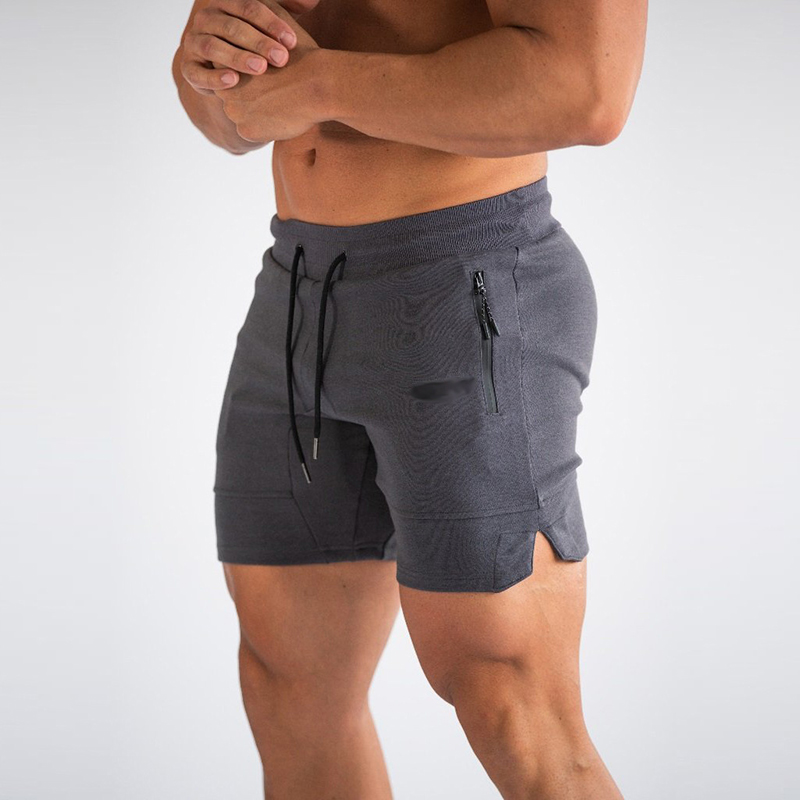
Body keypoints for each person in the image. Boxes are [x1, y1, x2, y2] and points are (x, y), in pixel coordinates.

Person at [172, 0, 646, 796]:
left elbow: (587, 88)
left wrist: (323, 84)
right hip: (297, 289)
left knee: (509, 701)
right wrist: (214, 71)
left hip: (464, 287)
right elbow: (229, 114)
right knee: (290, 689)